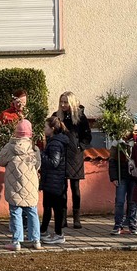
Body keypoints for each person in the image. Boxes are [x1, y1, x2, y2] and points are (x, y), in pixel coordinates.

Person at [0, 118, 41, 251]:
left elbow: (0, 160)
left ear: (16, 132)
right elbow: (38, 165)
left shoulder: (10, 147)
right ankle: (36, 240)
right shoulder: (34, 148)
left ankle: (16, 241)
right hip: (30, 186)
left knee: (16, 212)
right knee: (32, 212)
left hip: (14, 186)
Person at [54, 93, 93, 229]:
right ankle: (63, 218)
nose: (63, 105)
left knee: (75, 188)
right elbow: (52, 133)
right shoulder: (57, 116)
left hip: (75, 156)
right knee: (62, 189)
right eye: (61, 102)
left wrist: (79, 147)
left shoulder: (80, 117)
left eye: (66, 102)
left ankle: (77, 218)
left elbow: (87, 136)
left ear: (71, 103)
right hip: (60, 155)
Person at [39, 114, 71, 245]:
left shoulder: (55, 144)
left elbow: (54, 162)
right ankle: (43, 231)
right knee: (48, 206)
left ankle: (58, 234)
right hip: (53, 180)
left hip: (55, 181)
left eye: (45, 127)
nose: (44, 129)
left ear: (52, 129)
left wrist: (40, 154)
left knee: (55, 208)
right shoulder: (54, 141)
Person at [107, 126, 137, 235]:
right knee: (120, 201)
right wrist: (114, 177)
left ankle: (132, 225)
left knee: (133, 202)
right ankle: (118, 225)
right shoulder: (117, 143)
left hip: (134, 177)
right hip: (121, 176)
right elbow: (112, 161)